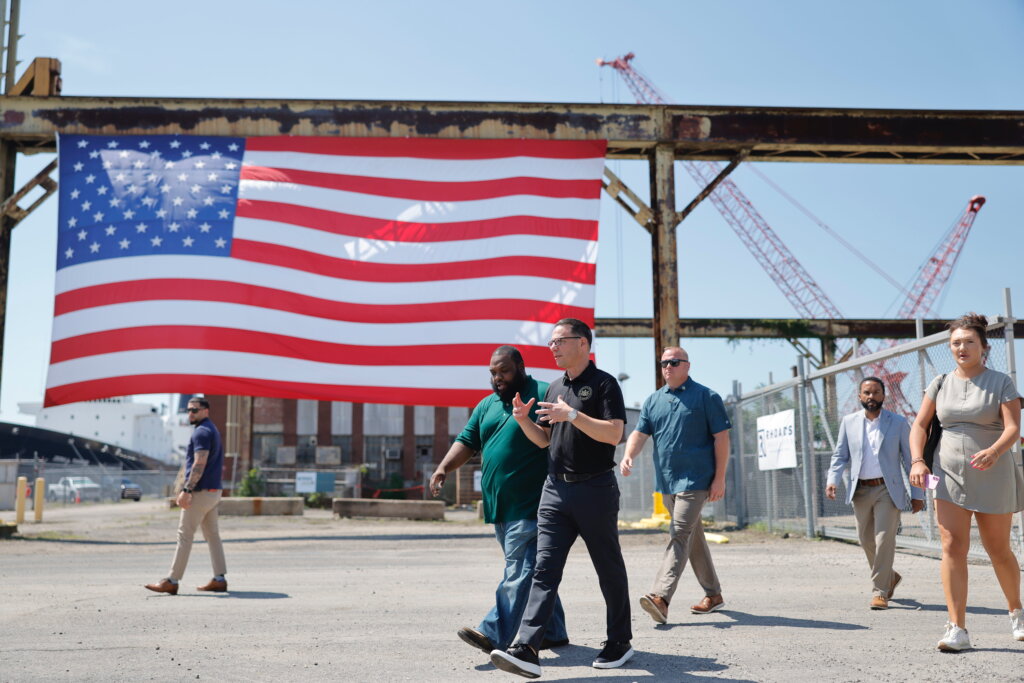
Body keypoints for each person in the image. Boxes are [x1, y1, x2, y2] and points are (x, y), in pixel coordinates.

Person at [490, 318, 633, 678]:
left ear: (583, 343)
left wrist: (572, 415)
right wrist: (523, 420)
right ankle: (526, 647)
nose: (552, 347)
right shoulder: (554, 387)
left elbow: (614, 434)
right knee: (544, 569)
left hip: (594, 488)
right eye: (551, 342)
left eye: (560, 341)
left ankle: (620, 640)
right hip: (554, 490)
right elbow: (545, 441)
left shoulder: (604, 384)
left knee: (608, 568)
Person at [429, 346, 568, 656]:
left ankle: (494, 633)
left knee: (519, 570)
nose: (497, 378)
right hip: (501, 507)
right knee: (533, 571)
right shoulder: (487, 405)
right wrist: (443, 468)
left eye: (503, 371)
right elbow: (467, 441)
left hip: (534, 503)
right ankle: (554, 631)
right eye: (493, 373)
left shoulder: (544, 393)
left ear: (519, 366)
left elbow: (558, 441)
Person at [908, 313, 1023, 651]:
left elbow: (1013, 427)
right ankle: (956, 628)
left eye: (969, 341)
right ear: (950, 347)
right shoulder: (940, 382)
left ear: (983, 347)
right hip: (945, 474)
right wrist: (917, 460)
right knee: (952, 546)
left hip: (993, 471)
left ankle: (1017, 613)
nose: (962, 347)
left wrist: (996, 450)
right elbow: (919, 426)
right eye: (956, 342)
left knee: (998, 549)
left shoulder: (1000, 381)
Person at [621, 346, 731, 625]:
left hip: (696, 480)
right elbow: (639, 432)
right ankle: (714, 594)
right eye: (663, 363)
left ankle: (661, 597)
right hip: (667, 481)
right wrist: (628, 455)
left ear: (687, 366)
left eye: (674, 362)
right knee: (692, 537)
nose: (667, 367)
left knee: (679, 533)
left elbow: (722, 438)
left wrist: (719, 478)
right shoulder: (653, 400)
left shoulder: (706, 397)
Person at [825, 377, 925, 610]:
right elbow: (840, 456)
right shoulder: (848, 422)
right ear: (860, 396)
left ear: (883, 396)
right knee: (866, 540)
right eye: (867, 393)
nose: (871, 397)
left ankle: (880, 591)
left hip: (887, 490)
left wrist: (917, 494)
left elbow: (910, 460)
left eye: (876, 392)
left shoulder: (898, 423)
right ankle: (889, 577)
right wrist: (832, 480)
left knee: (883, 539)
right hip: (859, 490)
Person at [145, 396, 227, 595]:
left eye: (195, 410)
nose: (190, 413)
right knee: (212, 535)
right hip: (214, 491)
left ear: (205, 411)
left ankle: (172, 581)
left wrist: (187, 490)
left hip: (200, 492)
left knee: (184, 535)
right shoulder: (212, 429)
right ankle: (219, 578)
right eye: (188, 410)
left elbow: (200, 463)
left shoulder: (201, 432)